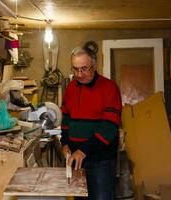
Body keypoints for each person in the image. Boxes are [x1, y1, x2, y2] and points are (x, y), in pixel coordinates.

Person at [61, 41, 122, 200]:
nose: (79, 74)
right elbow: (66, 118)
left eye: (84, 69)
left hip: (100, 160)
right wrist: (65, 143)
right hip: (76, 158)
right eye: (75, 69)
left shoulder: (109, 88)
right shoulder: (71, 88)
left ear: (94, 66)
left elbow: (110, 127)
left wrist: (84, 150)